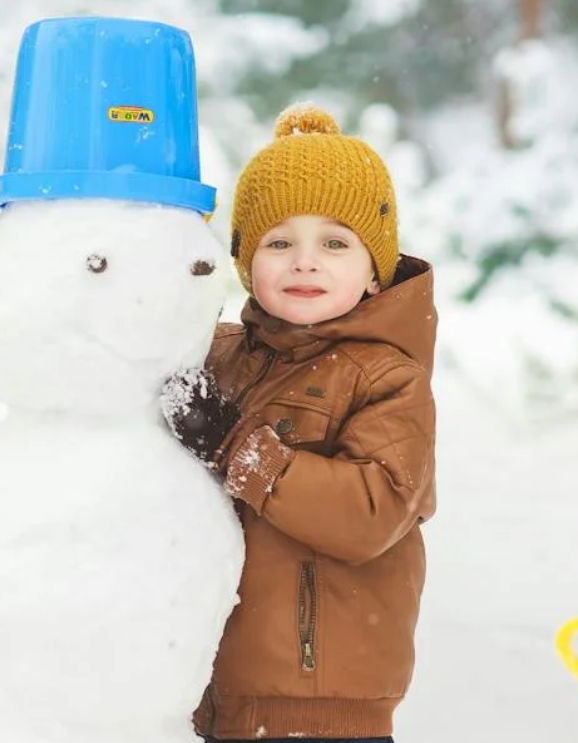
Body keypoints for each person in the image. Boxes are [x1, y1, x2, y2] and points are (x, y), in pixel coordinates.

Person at [165, 102, 438, 743]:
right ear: (245, 264)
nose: (304, 261)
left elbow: (373, 511)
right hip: (207, 687)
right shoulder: (218, 353)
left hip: (318, 706)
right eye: (279, 242)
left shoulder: (386, 379)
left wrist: (241, 451)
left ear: (375, 272)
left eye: (335, 243)